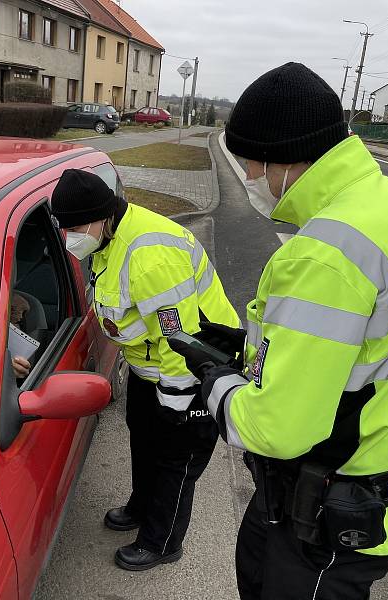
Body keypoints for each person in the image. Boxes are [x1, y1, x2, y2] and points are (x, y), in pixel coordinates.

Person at [170, 62, 388, 599]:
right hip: (372, 473)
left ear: (287, 158)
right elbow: (365, 346)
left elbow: (279, 428)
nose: (251, 178)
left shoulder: (325, 255)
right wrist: (253, 353)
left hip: (324, 508)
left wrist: (218, 384)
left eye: (252, 163)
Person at [50, 169, 241, 571]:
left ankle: (162, 542)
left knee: (176, 460)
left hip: (191, 373)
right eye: (65, 228)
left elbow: (181, 338)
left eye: (76, 227)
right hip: (148, 368)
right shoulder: (108, 236)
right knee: (144, 438)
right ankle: (141, 507)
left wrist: (175, 402)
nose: (71, 237)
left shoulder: (151, 256)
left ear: (102, 215)